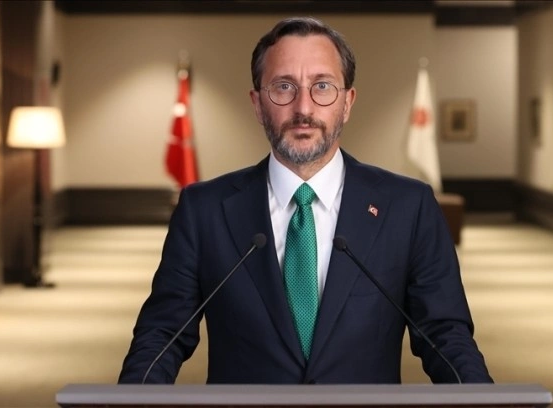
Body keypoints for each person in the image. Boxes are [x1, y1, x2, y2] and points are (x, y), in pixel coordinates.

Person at [118, 16, 492, 385]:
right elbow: (161, 336)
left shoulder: (409, 207)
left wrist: (481, 398)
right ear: (257, 104)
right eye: (284, 87)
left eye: (322, 86)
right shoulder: (203, 210)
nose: (303, 109)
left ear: (347, 102)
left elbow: (446, 337)